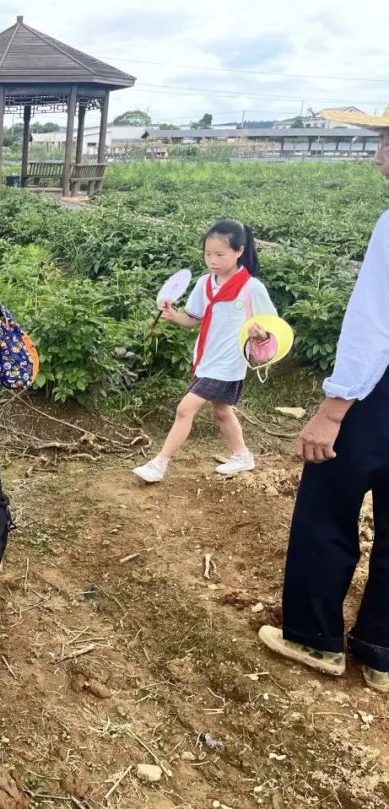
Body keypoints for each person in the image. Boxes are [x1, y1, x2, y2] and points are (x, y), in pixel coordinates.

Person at [258, 120, 389, 690]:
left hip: (378, 390)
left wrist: (333, 409)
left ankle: (315, 638)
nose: (380, 156)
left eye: (388, 143)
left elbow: (372, 328)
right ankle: (382, 653)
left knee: (327, 502)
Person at [133, 220, 277, 483]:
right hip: (205, 359)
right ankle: (242, 455)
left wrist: (262, 333)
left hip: (229, 363)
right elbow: (192, 319)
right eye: (208, 254)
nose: (212, 260)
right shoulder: (204, 284)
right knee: (221, 411)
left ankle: (159, 463)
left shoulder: (251, 288)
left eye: (220, 254)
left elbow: (273, 326)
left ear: (239, 251)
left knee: (185, 409)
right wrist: (172, 315)